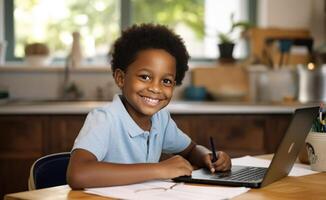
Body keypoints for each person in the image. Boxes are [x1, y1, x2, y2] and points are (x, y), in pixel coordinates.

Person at [67, 24, 231, 189]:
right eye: (145, 77)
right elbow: (78, 174)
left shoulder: (161, 119)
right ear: (120, 78)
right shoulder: (105, 119)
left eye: (166, 81)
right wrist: (159, 169)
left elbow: (191, 150)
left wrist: (208, 157)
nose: (155, 88)